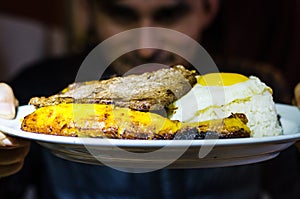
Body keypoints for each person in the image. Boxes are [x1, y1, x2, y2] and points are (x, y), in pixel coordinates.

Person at [0, 0, 300, 198]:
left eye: (170, 14)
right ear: (88, 11)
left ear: (208, 9)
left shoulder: (259, 90)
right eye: (121, 14)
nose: (145, 47)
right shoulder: (39, 87)